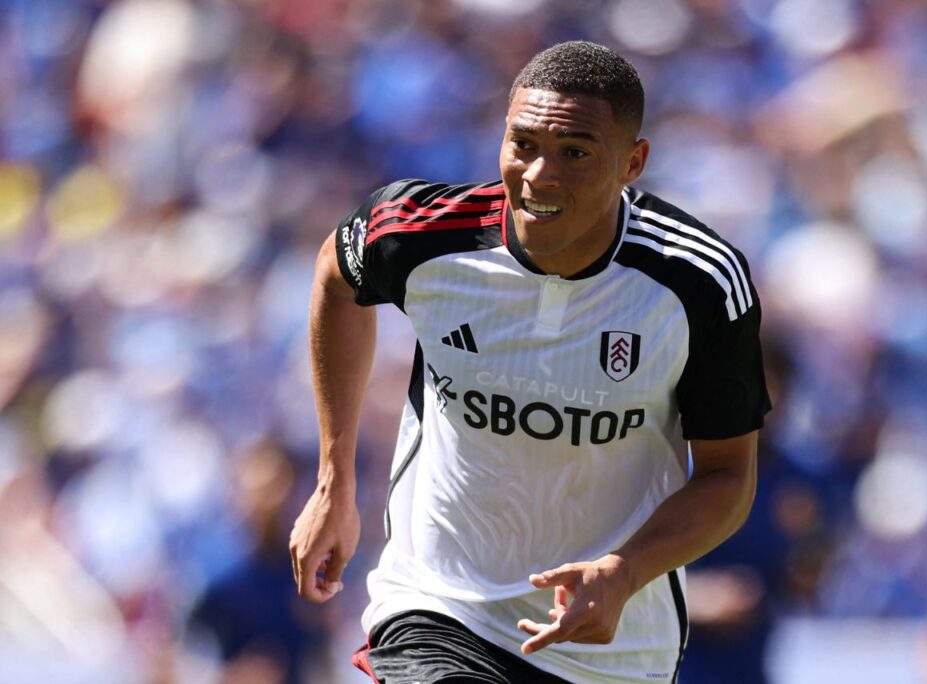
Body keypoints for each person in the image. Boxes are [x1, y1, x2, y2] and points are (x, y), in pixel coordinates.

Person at [289, 41, 771, 683]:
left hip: (612, 648)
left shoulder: (698, 283)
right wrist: (334, 481)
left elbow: (727, 478)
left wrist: (625, 570)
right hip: (440, 603)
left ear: (633, 162)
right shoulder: (423, 234)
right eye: (523, 144)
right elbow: (337, 276)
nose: (539, 175)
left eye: (575, 152)